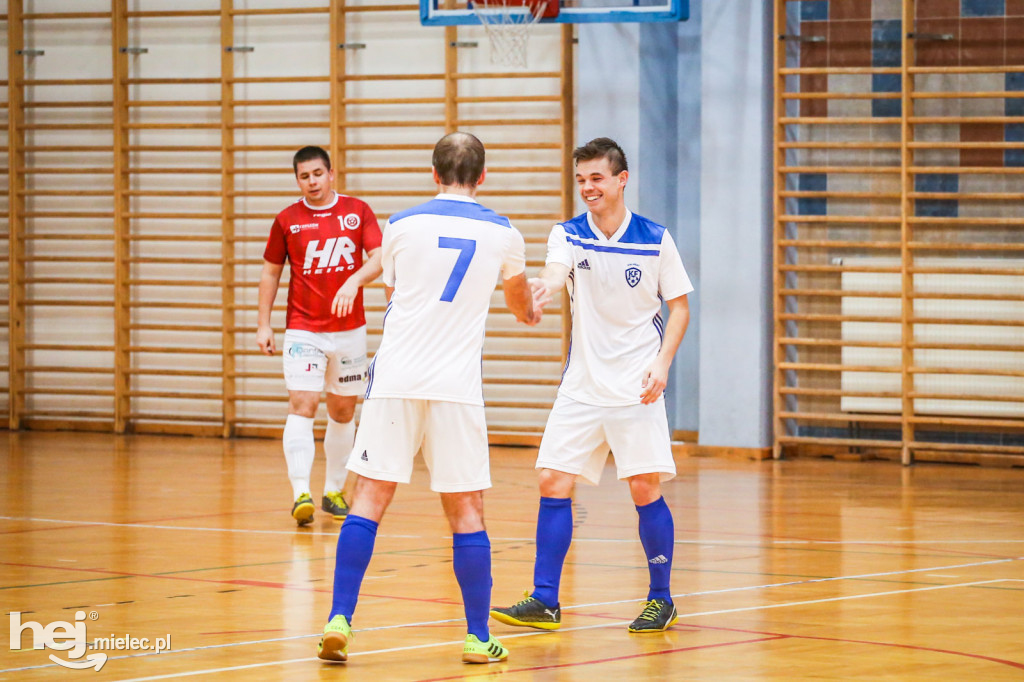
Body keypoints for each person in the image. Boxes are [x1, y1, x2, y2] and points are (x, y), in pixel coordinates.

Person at [316, 132, 539, 666]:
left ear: (433, 173)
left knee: (368, 498)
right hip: (455, 388)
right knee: (466, 509)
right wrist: (531, 306)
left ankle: (340, 618)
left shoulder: (401, 225)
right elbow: (520, 304)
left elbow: (395, 295)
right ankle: (477, 636)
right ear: (482, 177)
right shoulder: (504, 233)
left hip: (395, 378)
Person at [490, 137, 693, 634]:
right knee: (552, 481)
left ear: (622, 179)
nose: (588, 188)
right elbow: (557, 272)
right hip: (581, 386)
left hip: (636, 386)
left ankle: (660, 598)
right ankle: (544, 600)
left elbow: (680, 306)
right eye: (581, 180)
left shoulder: (655, 238)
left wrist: (663, 364)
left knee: (644, 489)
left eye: (597, 178)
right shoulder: (568, 233)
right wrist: (542, 285)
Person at [257, 146, 383, 526]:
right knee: (303, 403)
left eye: (317, 174)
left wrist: (354, 280)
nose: (311, 182)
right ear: (297, 180)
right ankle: (300, 494)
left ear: (331, 174)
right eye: (303, 176)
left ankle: (332, 490)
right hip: (303, 328)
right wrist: (263, 324)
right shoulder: (287, 220)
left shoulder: (357, 211)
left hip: (349, 332)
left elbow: (379, 257)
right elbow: (270, 273)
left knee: (343, 411)